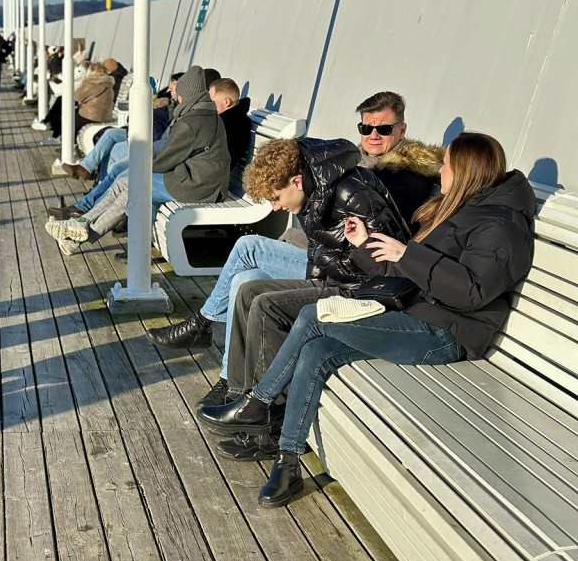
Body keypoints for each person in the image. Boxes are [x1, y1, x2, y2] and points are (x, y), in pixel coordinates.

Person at [214, 132, 535, 507]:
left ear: (467, 170)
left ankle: (259, 401)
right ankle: (287, 463)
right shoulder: (461, 209)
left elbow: (471, 291)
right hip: (417, 315)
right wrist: (364, 244)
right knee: (317, 349)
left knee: (313, 316)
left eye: (447, 164)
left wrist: (409, 253)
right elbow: (406, 273)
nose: (442, 169)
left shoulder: (502, 225)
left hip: (449, 332)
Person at [146, 91, 442, 390]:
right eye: (366, 128)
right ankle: (230, 380)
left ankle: (202, 324)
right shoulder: (362, 162)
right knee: (245, 279)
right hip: (328, 254)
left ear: (402, 130)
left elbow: (366, 227)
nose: (373, 135)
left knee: (249, 248)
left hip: (350, 271)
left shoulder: (404, 175)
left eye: (384, 129)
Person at [45, 66, 230, 255]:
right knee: (125, 183)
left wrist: (138, 164)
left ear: (188, 94)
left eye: (179, 94)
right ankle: (81, 227)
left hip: (197, 186)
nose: (177, 99)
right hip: (199, 180)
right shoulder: (206, 115)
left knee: (132, 187)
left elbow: (165, 160)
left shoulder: (192, 123)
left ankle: (83, 232)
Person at [40, 61, 116, 148]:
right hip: (105, 117)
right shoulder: (108, 83)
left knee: (67, 118)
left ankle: (62, 140)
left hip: (91, 116)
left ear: (93, 71)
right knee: (65, 107)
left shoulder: (91, 82)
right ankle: (57, 134)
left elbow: (77, 97)